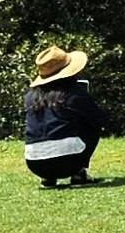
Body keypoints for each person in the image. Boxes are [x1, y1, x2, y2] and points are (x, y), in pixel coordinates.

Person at [21, 44, 107, 186]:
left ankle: (48, 178)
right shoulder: (74, 94)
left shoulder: (30, 97)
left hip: (35, 163)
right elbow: (99, 119)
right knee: (91, 126)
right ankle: (78, 174)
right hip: (70, 161)